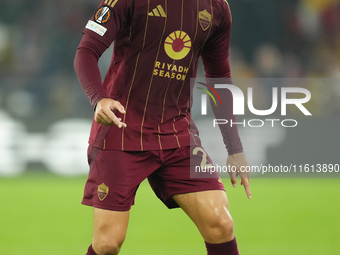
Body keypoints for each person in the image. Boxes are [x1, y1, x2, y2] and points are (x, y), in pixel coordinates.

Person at [74, 0, 251, 254]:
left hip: (177, 134)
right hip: (122, 129)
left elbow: (219, 79)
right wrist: (99, 99)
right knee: (108, 243)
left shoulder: (217, 8)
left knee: (220, 223)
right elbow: (86, 51)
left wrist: (234, 148)